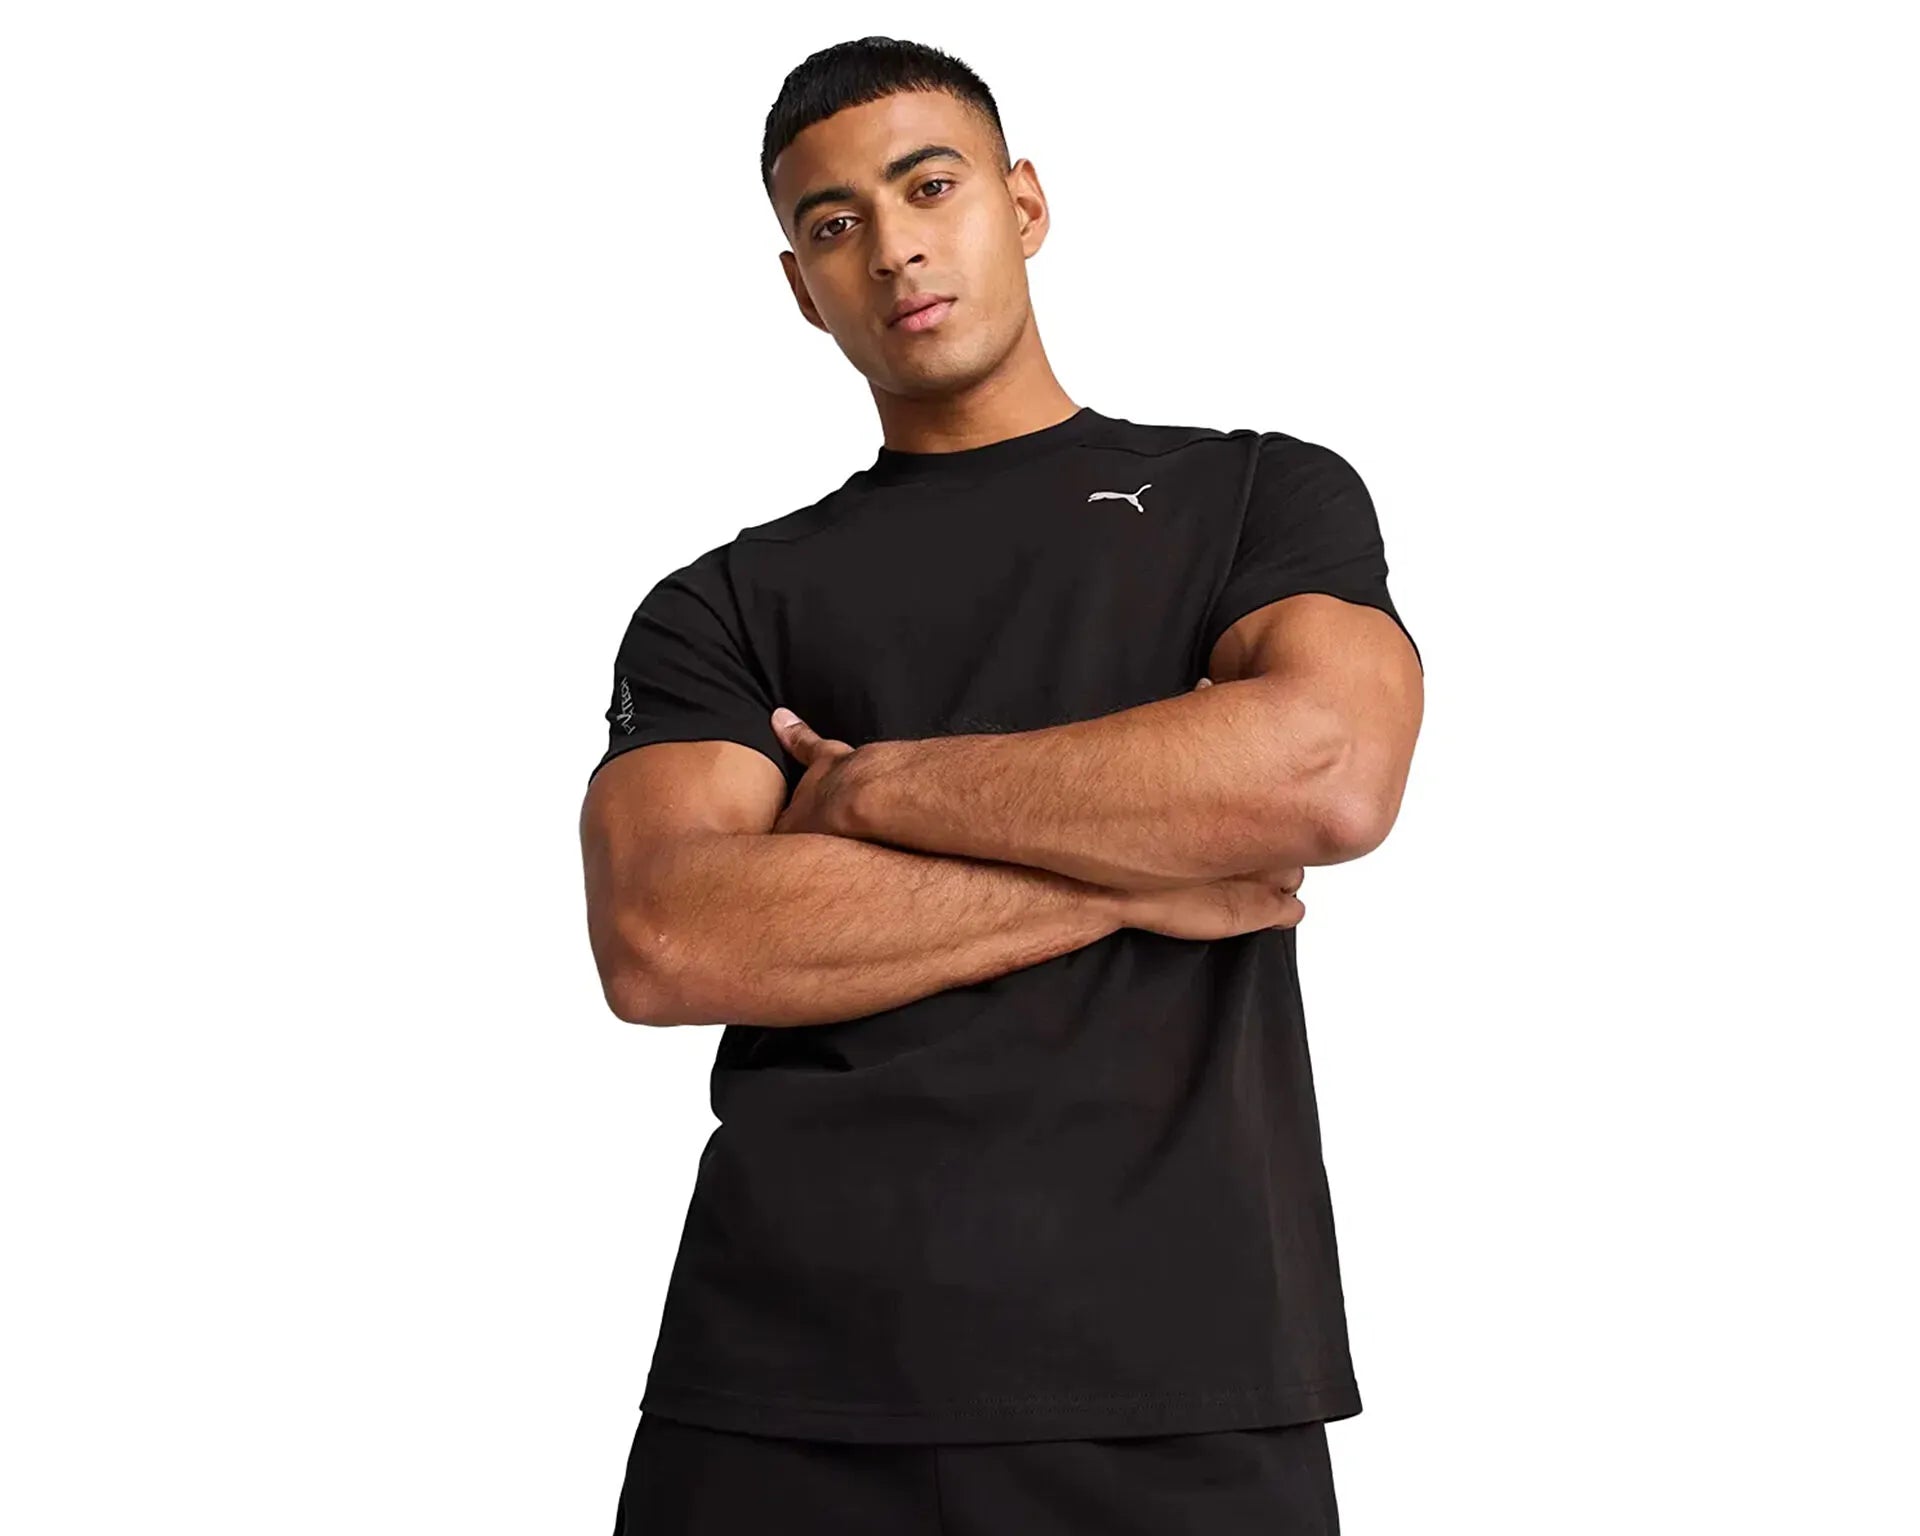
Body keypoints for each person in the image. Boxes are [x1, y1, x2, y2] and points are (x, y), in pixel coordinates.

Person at [579, 34, 1424, 1535]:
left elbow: (1330, 767)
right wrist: (1151, 872)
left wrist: (871, 791)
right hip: (781, 1385)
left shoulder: (1253, 496)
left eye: (931, 187)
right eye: (834, 223)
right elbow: (666, 936)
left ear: (1023, 204)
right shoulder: (723, 604)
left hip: (1181, 1381)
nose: (893, 247)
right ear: (800, 285)